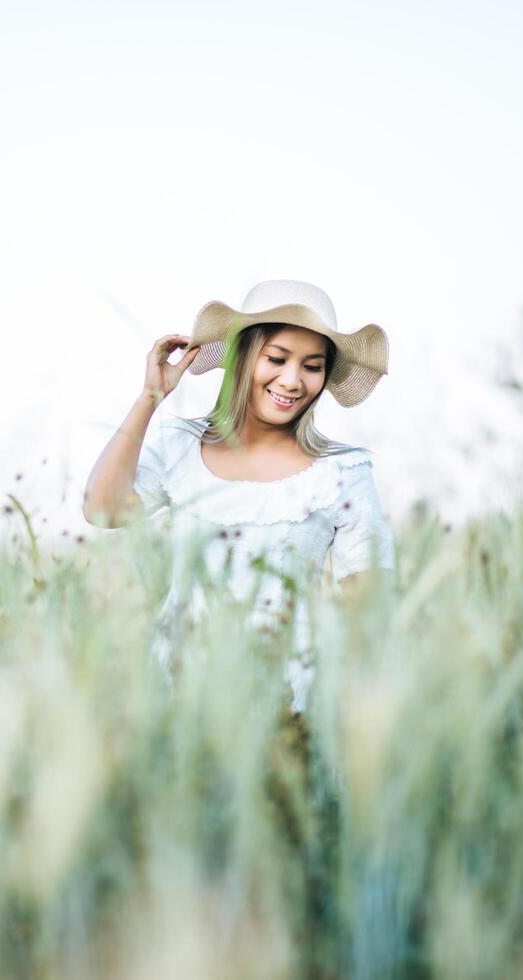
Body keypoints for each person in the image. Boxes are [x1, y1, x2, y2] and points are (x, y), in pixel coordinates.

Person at [82, 279, 395, 714]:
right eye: (277, 358)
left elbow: (368, 607)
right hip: (181, 689)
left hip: (288, 698)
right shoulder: (183, 447)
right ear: (244, 357)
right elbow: (102, 509)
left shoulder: (343, 472)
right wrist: (149, 398)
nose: (292, 380)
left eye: (312, 365)